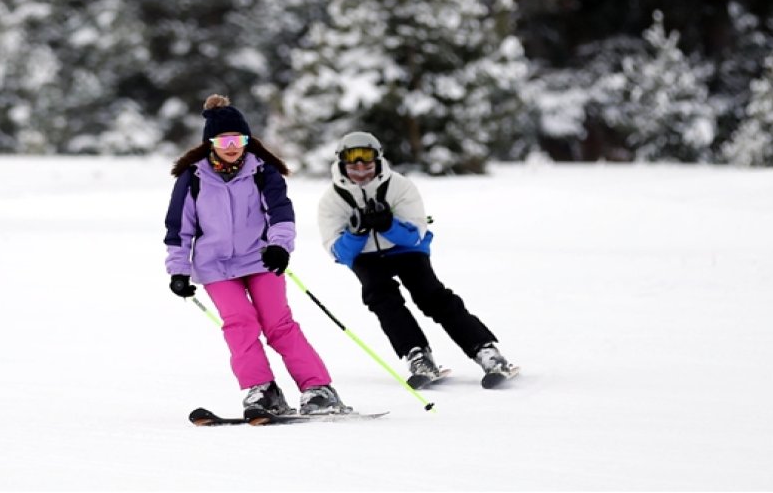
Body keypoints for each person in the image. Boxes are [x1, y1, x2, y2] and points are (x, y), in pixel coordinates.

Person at [163, 94, 351, 418]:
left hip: (261, 260)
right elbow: (179, 228)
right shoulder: (192, 178)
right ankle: (262, 390)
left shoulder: (262, 171)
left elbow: (280, 212)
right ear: (211, 142)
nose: (233, 146)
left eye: (239, 139)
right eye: (225, 139)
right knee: (240, 324)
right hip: (215, 267)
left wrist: (279, 246)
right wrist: (178, 271)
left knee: (279, 324)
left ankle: (318, 389)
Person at [316, 131, 518, 388]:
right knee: (381, 298)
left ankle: (485, 351)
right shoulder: (331, 200)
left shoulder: (400, 186)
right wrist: (356, 233)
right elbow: (338, 252)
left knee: (430, 295)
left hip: (405, 250)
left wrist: (388, 225)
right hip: (365, 256)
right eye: (352, 162)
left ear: (378, 159)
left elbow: (415, 235)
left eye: (366, 161)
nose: (360, 168)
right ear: (341, 163)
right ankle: (417, 354)